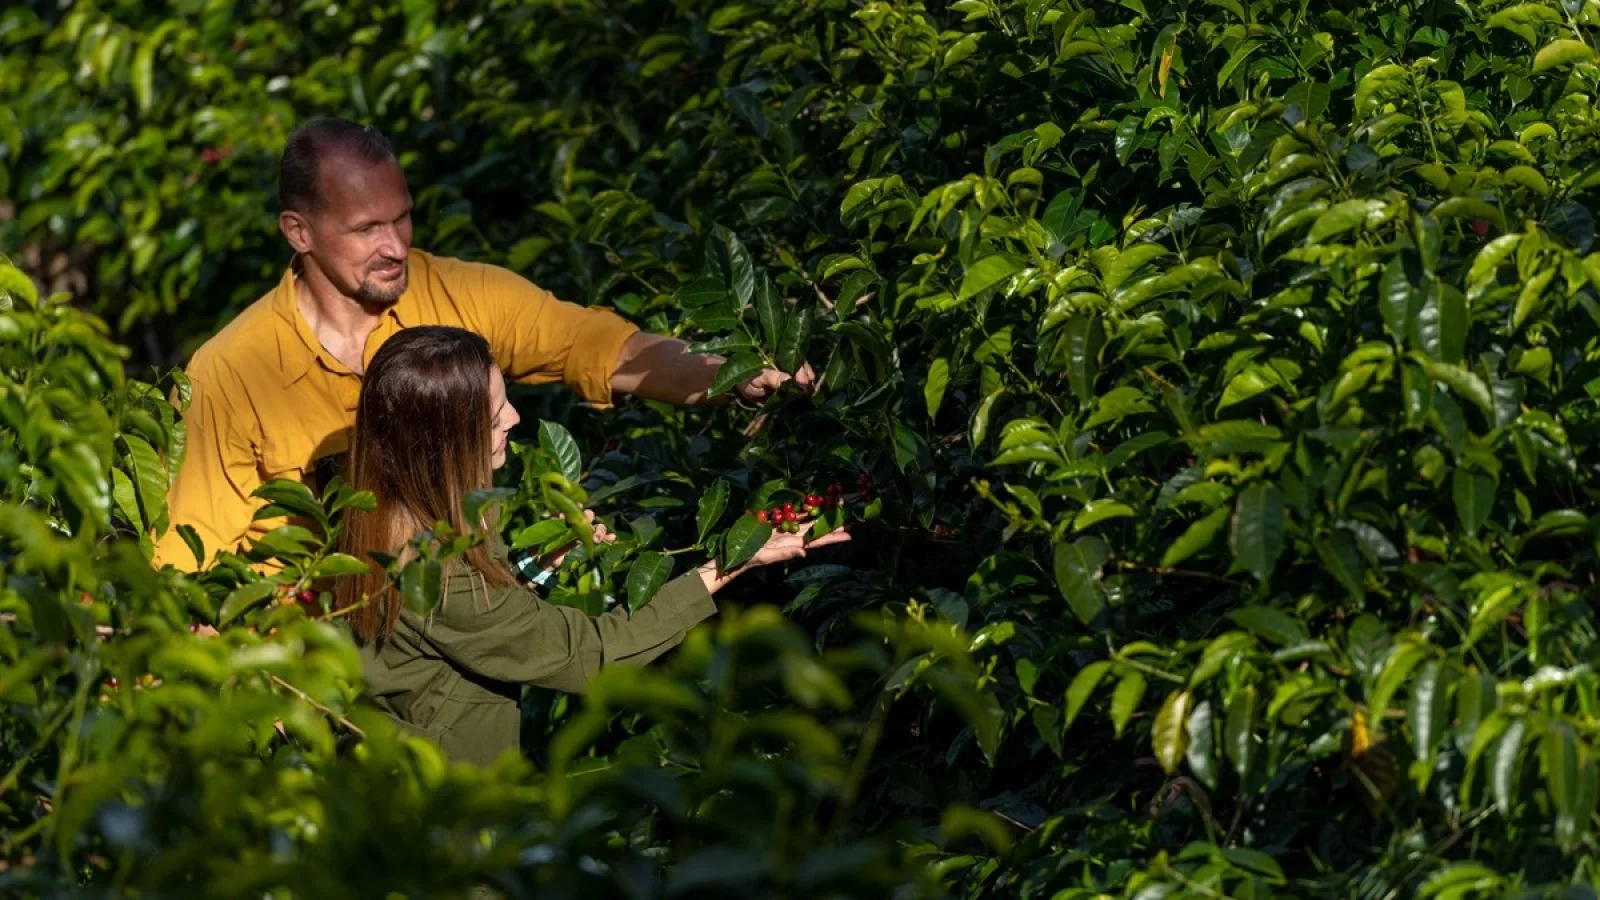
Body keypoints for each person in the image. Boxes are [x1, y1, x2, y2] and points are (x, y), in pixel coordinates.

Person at [152, 117, 813, 569]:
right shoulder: (231, 371)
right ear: (299, 232)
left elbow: (596, 346)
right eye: (366, 229)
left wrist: (730, 373)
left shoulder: (456, 292)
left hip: (456, 629)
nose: (395, 245)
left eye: (403, 217)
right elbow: (187, 557)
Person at [334, 326, 849, 766]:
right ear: (444, 443)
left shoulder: (382, 511)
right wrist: (733, 561)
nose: (514, 418)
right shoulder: (435, 569)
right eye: (492, 417)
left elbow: (469, 626)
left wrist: (535, 565)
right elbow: (595, 653)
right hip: (450, 802)